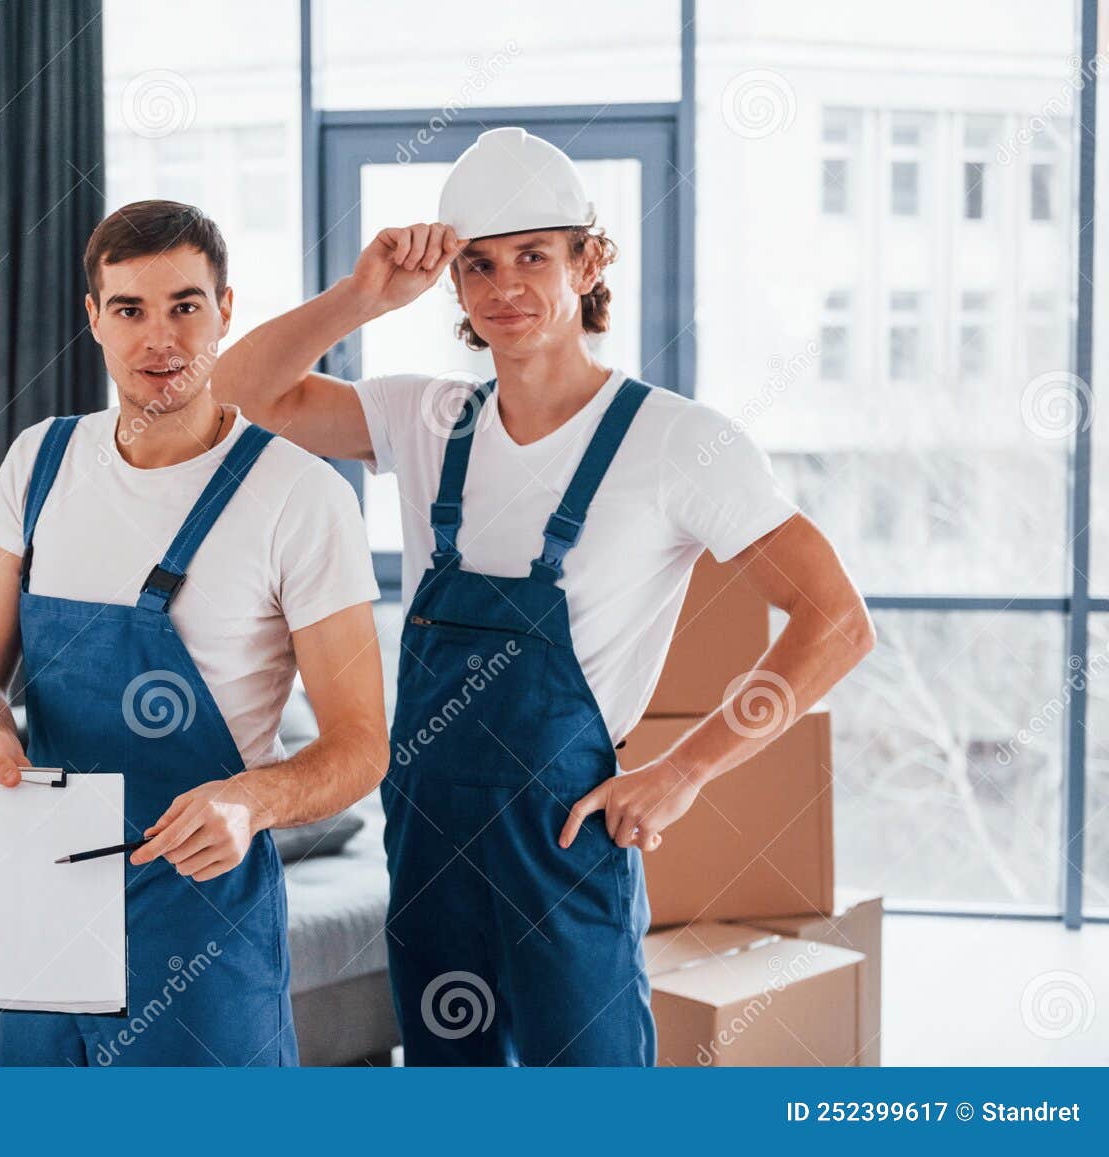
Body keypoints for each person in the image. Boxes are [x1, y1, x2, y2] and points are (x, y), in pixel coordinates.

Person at [212, 127, 875, 1066]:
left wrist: (682, 771)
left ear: (589, 260)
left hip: (566, 837)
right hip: (429, 831)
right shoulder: (428, 418)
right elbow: (236, 396)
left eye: (533, 255)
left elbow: (837, 621)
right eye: (478, 266)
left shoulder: (679, 443)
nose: (505, 288)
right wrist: (362, 295)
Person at [0, 199, 387, 1067]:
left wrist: (250, 798)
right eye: (130, 310)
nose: (161, 340)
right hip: (46, 894)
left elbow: (363, 744)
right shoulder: (41, 463)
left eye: (186, 305)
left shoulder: (301, 497)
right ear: (94, 319)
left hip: (199, 913)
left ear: (226, 311)